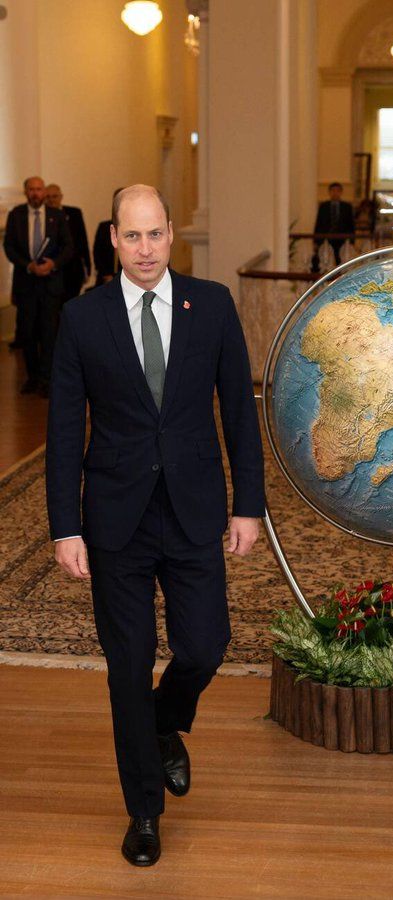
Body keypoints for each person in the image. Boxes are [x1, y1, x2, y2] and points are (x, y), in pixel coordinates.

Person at [45, 184, 265, 866]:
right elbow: (61, 431)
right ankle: (144, 811)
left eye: (155, 235)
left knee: (205, 646)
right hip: (116, 520)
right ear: (113, 238)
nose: (145, 250)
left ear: (174, 235)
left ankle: (166, 721)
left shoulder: (214, 307)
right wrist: (64, 526)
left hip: (194, 508)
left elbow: (238, 412)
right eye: (131, 236)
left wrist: (248, 504)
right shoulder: (84, 320)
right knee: (126, 667)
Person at [3, 176, 73, 396]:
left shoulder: (57, 216)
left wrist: (53, 263)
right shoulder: (16, 215)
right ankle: (32, 377)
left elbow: (68, 247)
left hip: (51, 284)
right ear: (26, 192)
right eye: (31, 189)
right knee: (27, 332)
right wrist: (28, 266)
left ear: (44, 192)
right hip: (27, 284)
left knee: (49, 332)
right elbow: (9, 247)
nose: (36, 193)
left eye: (39, 189)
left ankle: (47, 378)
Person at [45, 183, 91, 300]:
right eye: (48, 197)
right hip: (51, 271)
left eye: (54, 196)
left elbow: (83, 240)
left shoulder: (74, 213)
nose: (51, 200)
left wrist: (88, 266)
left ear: (61, 197)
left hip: (73, 269)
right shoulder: (42, 216)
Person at [311, 181, 355, 271]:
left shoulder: (347, 207)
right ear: (329, 192)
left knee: (341, 260)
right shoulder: (324, 206)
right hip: (326, 237)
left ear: (341, 192)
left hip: (341, 238)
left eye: (337, 191)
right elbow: (319, 222)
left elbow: (351, 224)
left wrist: (352, 241)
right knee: (322, 259)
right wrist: (316, 240)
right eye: (333, 191)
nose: (335, 193)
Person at [93, 188, 123, 285]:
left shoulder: (137, 228)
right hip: (106, 278)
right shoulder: (104, 227)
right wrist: (105, 274)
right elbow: (97, 252)